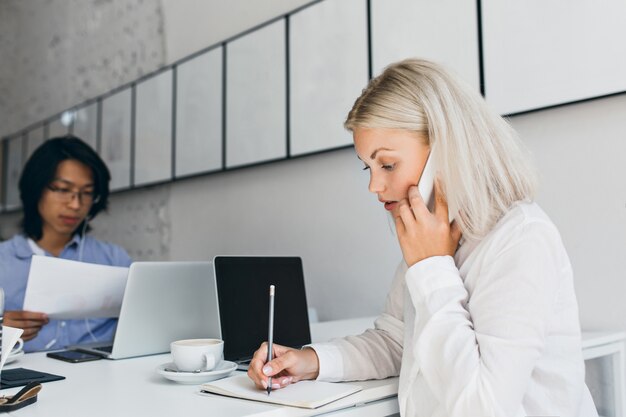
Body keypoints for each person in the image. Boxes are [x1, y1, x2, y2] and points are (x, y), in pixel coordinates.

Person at [247, 59, 597, 416]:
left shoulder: (520, 241)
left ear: (447, 149)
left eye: (388, 164)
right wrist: (311, 360)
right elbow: (398, 341)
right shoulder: (432, 237)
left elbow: (484, 408)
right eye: (368, 167)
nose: (373, 186)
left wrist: (432, 267)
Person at [0, 136, 132, 352]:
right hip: (30, 383)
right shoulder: (4, 262)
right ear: (36, 189)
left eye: (87, 193)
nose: (75, 204)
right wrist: (1, 332)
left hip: (102, 379)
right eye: (62, 189)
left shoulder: (115, 260)